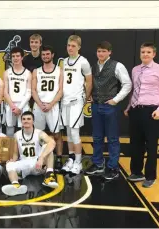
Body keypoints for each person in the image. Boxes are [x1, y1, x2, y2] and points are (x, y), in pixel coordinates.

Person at [124, 42, 159, 188]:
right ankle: (137, 172)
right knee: (136, 144)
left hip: (152, 111)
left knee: (151, 145)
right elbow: (135, 90)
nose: (145, 54)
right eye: (143, 52)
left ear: (154, 54)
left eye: (148, 52)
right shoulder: (135, 70)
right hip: (136, 111)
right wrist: (129, 107)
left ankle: (150, 176)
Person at [85, 41, 132, 180]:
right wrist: (91, 97)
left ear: (109, 52)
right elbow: (91, 83)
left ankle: (113, 167)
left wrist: (115, 100)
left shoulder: (117, 65)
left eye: (104, 51)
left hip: (110, 106)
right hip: (96, 105)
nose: (101, 53)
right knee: (97, 137)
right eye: (99, 51)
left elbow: (127, 84)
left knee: (112, 138)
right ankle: (98, 163)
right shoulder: (94, 67)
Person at [2, 111, 58, 197]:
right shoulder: (17, 134)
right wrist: (12, 160)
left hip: (38, 164)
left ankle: (49, 177)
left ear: (33, 121)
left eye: (29, 119)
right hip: (24, 162)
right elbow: (15, 154)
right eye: (24, 119)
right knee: (9, 165)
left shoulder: (39, 133)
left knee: (48, 146)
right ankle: (16, 186)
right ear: (21, 121)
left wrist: (42, 158)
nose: (26, 121)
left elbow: (53, 143)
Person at [60, 35, 92, 175]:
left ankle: (78, 161)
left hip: (76, 102)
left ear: (79, 47)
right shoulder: (65, 61)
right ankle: (71, 159)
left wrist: (85, 98)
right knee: (68, 132)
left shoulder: (83, 62)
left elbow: (89, 81)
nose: (70, 48)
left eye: (73, 46)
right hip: (65, 101)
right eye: (68, 45)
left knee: (74, 132)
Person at [31, 45, 64, 172]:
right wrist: (40, 103)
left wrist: (50, 104)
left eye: (47, 54)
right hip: (39, 106)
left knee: (56, 134)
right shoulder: (36, 71)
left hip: (53, 106)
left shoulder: (59, 70)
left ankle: (59, 157)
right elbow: (33, 90)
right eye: (43, 54)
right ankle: (39, 157)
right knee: (38, 135)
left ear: (52, 55)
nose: (45, 56)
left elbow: (60, 91)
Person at [4, 47, 32, 137]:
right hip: (10, 104)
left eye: (17, 56)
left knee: (24, 128)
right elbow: (5, 92)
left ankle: (22, 149)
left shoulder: (28, 73)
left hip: (23, 105)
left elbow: (28, 93)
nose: (15, 58)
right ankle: (10, 150)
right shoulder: (7, 72)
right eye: (13, 56)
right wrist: (13, 107)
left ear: (22, 57)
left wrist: (19, 108)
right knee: (9, 128)